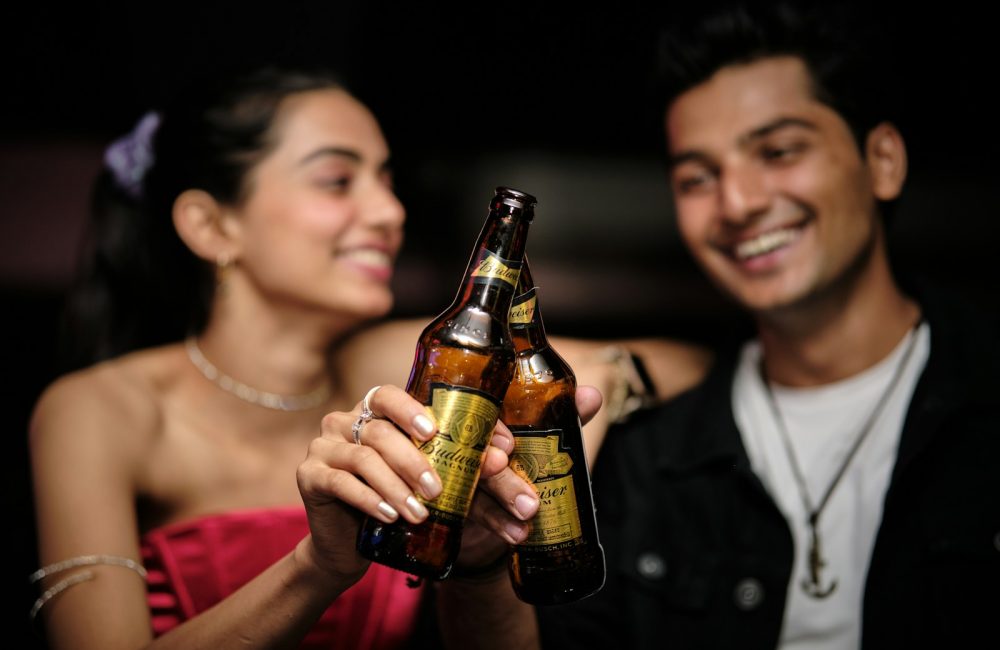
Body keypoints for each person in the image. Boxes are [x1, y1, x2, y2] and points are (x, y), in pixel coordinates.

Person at [28, 65, 709, 649]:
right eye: (336, 180)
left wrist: (573, 402)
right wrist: (320, 564)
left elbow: (691, 362)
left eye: (386, 179)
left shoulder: (388, 364)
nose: (389, 211)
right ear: (211, 226)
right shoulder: (99, 410)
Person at [528, 3, 1000, 649]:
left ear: (883, 160)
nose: (739, 203)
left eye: (778, 151)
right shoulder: (649, 459)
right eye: (697, 177)